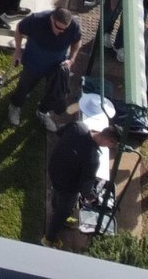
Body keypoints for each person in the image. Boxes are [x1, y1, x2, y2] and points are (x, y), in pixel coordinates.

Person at [45, 96, 115, 245]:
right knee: (63, 210)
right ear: (108, 141)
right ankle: (49, 239)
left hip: (54, 170)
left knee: (57, 196)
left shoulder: (78, 126)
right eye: (112, 145)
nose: (110, 147)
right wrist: (92, 197)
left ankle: (57, 211)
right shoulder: (93, 159)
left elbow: (59, 132)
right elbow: (86, 188)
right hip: (67, 186)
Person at [8, 4, 84, 128]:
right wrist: (17, 51)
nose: (61, 31)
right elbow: (19, 30)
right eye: (59, 28)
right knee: (24, 86)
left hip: (56, 65)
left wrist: (71, 59)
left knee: (55, 91)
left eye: (65, 29)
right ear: (52, 19)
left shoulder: (74, 26)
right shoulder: (36, 19)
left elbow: (77, 41)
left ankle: (42, 111)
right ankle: (15, 106)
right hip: (33, 62)